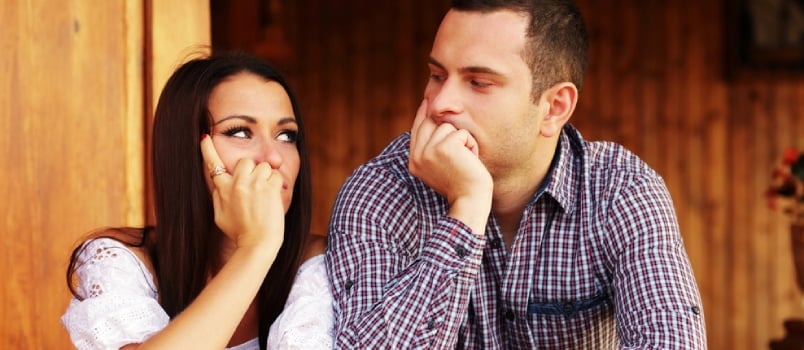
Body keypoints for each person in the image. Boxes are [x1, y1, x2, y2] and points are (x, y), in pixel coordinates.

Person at [325, 0, 707, 348]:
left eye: (479, 82)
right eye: (437, 75)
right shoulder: (381, 189)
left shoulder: (620, 191)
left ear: (555, 107)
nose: (441, 104)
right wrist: (468, 209)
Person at [62, 52, 333, 349]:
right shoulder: (122, 261)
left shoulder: (319, 267)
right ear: (189, 151)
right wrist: (255, 249)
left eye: (286, 135)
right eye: (240, 132)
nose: (273, 157)